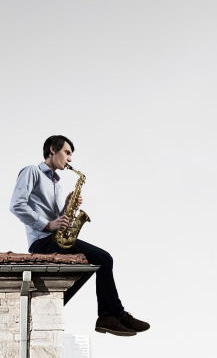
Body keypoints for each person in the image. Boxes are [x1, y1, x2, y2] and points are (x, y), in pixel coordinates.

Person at [9, 135, 149, 337]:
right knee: (104, 258)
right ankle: (111, 315)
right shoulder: (32, 171)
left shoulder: (57, 183)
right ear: (52, 150)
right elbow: (17, 205)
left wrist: (66, 207)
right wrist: (47, 224)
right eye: (67, 152)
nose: (70, 159)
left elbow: (57, 219)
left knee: (100, 260)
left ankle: (112, 315)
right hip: (42, 242)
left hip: (54, 238)